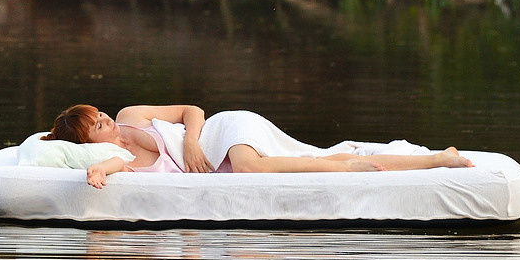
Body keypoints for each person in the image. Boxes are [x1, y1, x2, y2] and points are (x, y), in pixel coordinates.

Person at [45, 103, 473, 189]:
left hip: (221, 134)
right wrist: (98, 170)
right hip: (222, 165)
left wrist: (192, 143)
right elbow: (111, 170)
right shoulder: (117, 158)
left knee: (252, 168)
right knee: (324, 155)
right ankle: (439, 159)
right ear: (87, 141)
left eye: (97, 113)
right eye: (94, 125)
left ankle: (351, 172)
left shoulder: (130, 116)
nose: (103, 120)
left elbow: (193, 110)